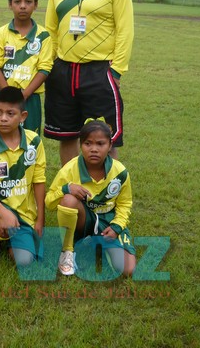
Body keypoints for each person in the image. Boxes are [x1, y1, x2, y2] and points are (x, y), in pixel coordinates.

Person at [44, 0, 134, 165]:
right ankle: (70, 186)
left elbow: (125, 30)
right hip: (63, 70)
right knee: (66, 135)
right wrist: (49, 63)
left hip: (98, 71)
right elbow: (50, 30)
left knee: (104, 136)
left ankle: (107, 191)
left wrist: (116, 71)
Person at [45, 119, 136, 277]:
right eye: (88, 144)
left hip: (108, 222)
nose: (94, 149)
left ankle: (95, 242)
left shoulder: (120, 172)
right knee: (68, 200)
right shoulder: (70, 169)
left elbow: (125, 203)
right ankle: (68, 250)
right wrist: (67, 188)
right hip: (84, 219)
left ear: (109, 146)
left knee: (127, 270)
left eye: (100, 144)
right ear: (81, 145)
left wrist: (117, 227)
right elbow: (49, 202)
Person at [0, 87, 46, 267]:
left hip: (25, 209)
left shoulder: (34, 141)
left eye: (10, 113)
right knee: (4, 226)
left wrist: (40, 219)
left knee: (26, 261)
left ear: (23, 116)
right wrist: (3, 212)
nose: (4, 118)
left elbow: (39, 180)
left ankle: (8, 240)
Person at [0, 0, 52, 134]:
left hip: (30, 98)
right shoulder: (1, 34)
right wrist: (9, 94)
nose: (23, 6)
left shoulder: (43, 36)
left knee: (29, 141)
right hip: (3, 96)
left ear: (36, 4)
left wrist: (24, 95)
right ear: (10, 4)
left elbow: (44, 69)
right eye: (17, 1)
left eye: (28, 1)